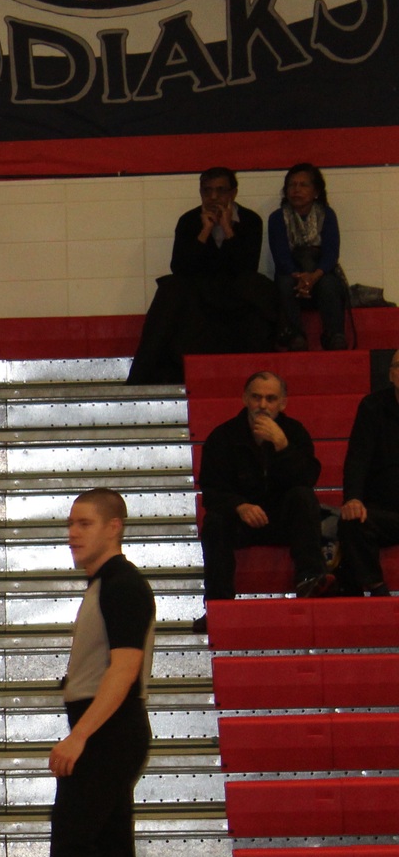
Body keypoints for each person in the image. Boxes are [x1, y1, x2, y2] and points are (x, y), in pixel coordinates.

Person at [48, 488, 182, 857]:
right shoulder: (105, 585)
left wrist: (80, 736)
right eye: (71, 523)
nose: (73, 533)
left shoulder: (123, 585)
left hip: (108, 731)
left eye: (84, 522)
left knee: (71, 850)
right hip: (109, 730)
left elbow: (124, 671)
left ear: (114, 527)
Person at [128, 168, 279, 384]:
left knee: (259, 287)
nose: (213, 197)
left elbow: (247, 266)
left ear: (233, 193)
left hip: (234, 289)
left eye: (220, 190)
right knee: (170, 288)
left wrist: (228, 229)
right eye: (207, 191)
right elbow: (179, 267)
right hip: (199, 290)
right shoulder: (189, 220)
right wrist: (204, 231)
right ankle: (140, 376)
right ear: (201, 193)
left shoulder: (250, 220)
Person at [197, 370, 327, 617]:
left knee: (303, 497)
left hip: (282, 520)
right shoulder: (223, 436)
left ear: (283, 403)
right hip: (240, 522)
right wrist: (240, 506)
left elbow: (308, 479)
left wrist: (283, 446)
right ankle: (218, 605)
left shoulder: (294, 432)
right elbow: (212, 491)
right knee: (214, 521)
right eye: (256, 397)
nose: (263, 405)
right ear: (245, 398)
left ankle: (310, 579)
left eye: (271, 399)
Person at [336, 350, 399, 597]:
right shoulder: (372, 407)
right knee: (351, 520)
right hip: (383, 511)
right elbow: (357, 459)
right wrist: (353, 498)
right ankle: (376, 589)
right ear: (391, 374)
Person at [268, 163, 347, 351]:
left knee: (329, 284)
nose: (296, 190)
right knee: (285, 283)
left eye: (303, 185)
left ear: (316, 191)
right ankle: (295, 336)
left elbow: (331, 253)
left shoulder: (327, 214)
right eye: (292, 185)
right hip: (291, 272)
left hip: (320, 271)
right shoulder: (277, 217)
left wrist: (314, 276)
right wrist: (301, 277)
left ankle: (334, 335)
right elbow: (280, 256)